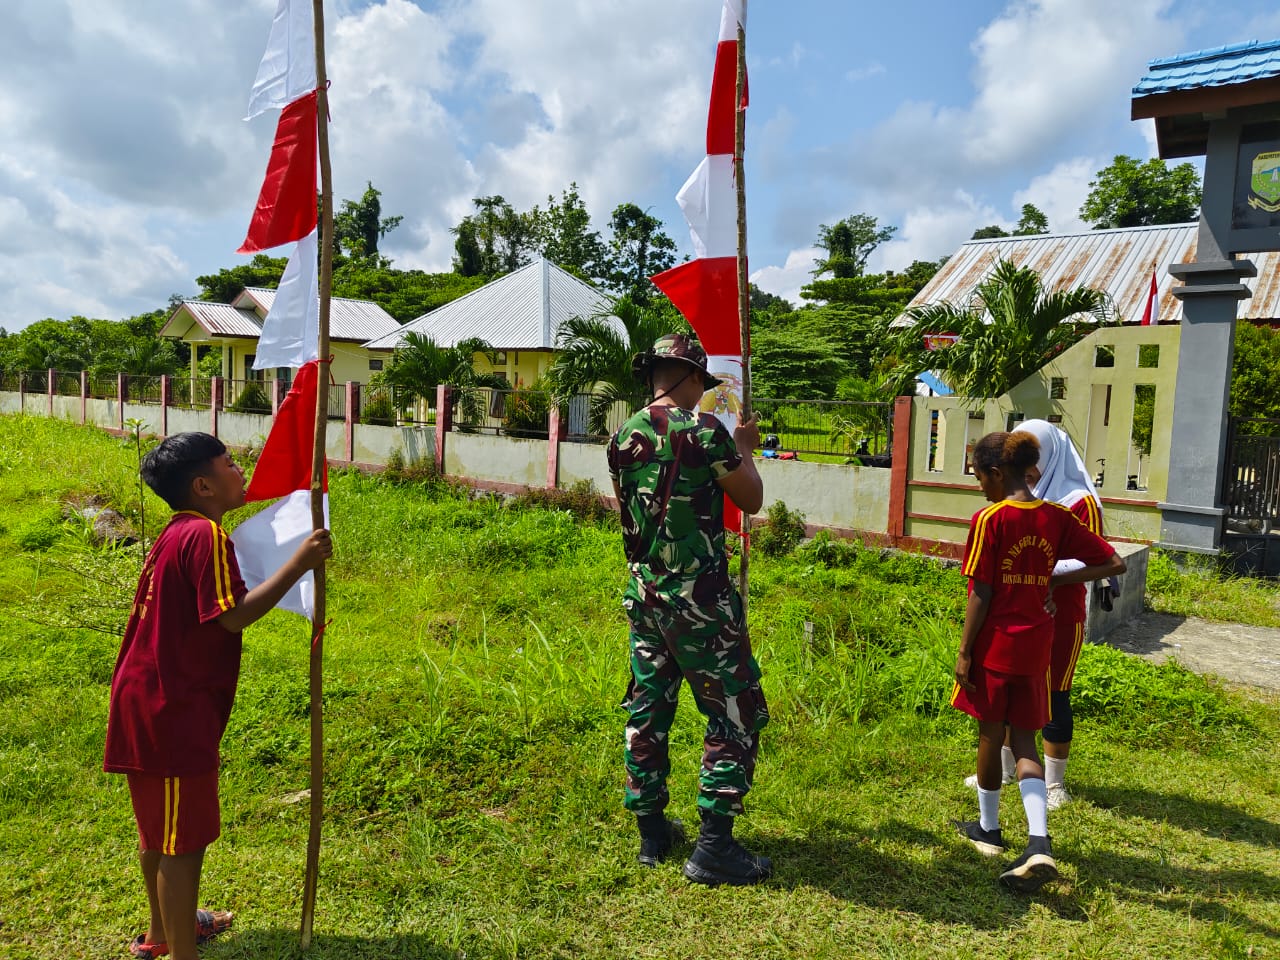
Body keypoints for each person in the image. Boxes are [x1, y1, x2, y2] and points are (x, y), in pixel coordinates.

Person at [103, 433, 332, 960]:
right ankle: (180, 951)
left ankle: (163, 931)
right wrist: (299, 562)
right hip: (171, 710)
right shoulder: (205, 535)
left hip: (146, 699)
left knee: (160, 833)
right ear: (203, 485)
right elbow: (232, 616)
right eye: (229, 463)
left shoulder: (176, 532)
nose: (239, 469)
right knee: (183, 844)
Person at [607, 333, 770, 886]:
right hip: (702, 604)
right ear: (691, 377)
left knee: (649, 708)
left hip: (645, 597)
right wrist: (744, 447)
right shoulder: (705, 432)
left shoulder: (622, 435)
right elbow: (751, 499)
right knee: (734, 710)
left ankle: (652, 833)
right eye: (703, 382)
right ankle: (714, 847)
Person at [950, 431, 1124, 893]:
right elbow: (1114, 563)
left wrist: (965, 652)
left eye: (979, 477)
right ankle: (1038, 841)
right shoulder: (1058, 517)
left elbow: (981, 591)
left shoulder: (990, 519)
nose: (979, 487)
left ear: (996, 473)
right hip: (1037, 649)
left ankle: (988, 830)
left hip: (996, 646)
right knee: (1025, 739)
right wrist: (1054, 581)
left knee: (991, 734)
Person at [962, 419, 1111, 811]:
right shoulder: (1016, 503)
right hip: (1016, 615)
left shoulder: (1077, 502)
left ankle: (1054, 782)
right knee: (1010, 699)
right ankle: (1003, 769)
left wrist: (1050, 579)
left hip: (1060, 613)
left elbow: (1098, 557)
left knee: (1055, 693)